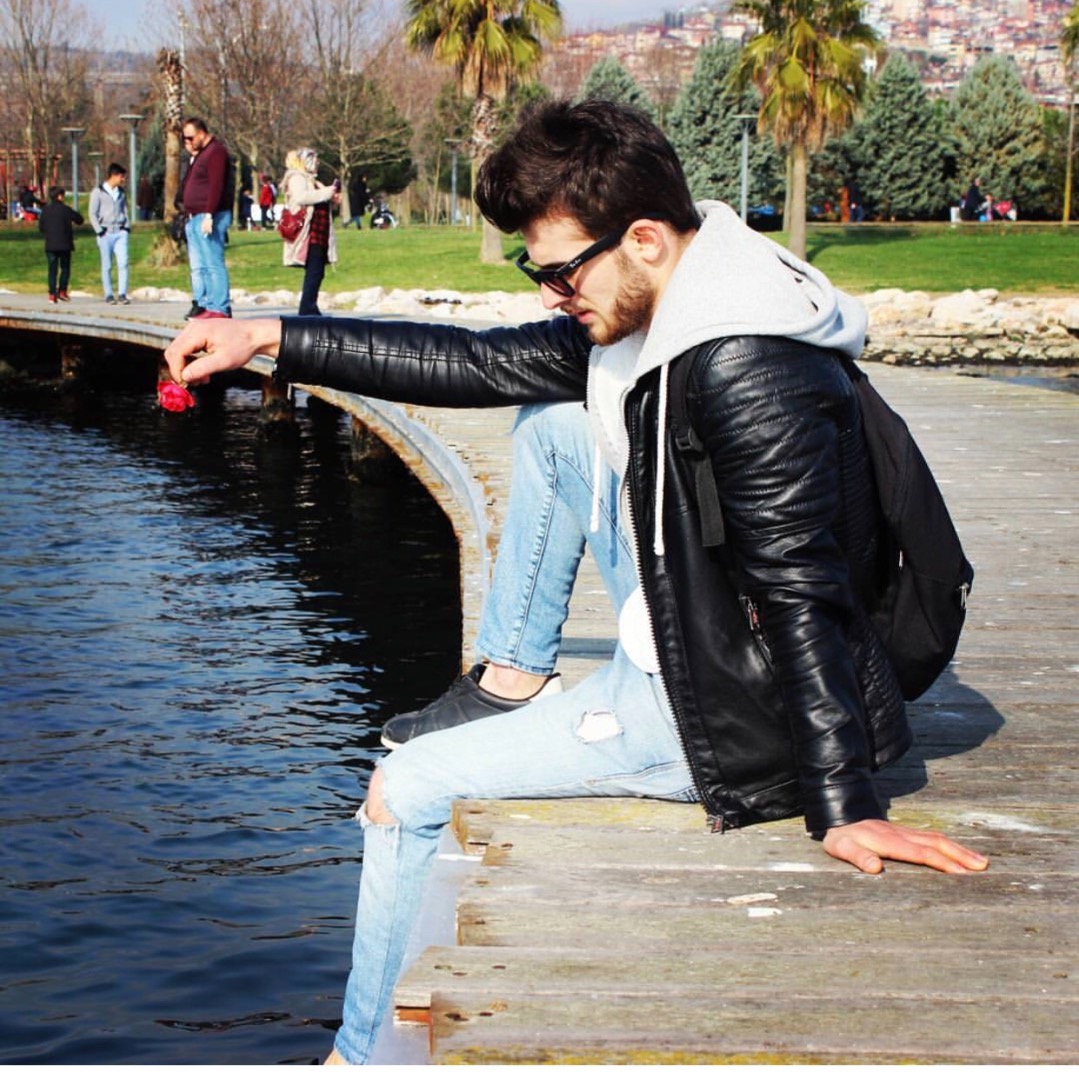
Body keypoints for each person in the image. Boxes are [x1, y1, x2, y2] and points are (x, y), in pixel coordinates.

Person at [164, 100, 989, 1065]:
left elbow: (800, 590)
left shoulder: (744, 366)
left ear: (642, 238)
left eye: (559, 271)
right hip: (702, 618)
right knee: (555, 424)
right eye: (535, 273)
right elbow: (478, 363)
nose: (551, 294)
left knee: (405, 785)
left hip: (722, 711)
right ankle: (512, 674)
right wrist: (267, 336)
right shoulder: (673, 296)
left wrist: (843, 803)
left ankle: (359, 1057)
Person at [179, 117, 234, 319]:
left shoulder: (216, 152)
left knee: (213, 263)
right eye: (184, 138)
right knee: (201, 265)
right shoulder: (202, 154)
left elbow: (216, 185)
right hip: (194, 216)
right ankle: (207, 305)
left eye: (190, 138)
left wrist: (209, 214)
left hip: (209, 215)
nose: (187, 142)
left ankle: (220, 307)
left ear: (202, 133)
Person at [280, 148, 340, 316]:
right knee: (314, 269)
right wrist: (326, 193)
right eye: (314, 160)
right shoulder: (297, 177)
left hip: (319, 230)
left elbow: (319, 198)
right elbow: (301, 197)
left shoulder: (312, 180)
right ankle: (307, 308)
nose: (317, 163)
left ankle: (309, 306)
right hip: (308, 231)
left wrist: (332, 198)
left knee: (318, 270)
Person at [88, 163, 131, 305]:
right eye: (121, 176)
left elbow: (125, 210)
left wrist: (126, 227)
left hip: (120, 232)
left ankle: (122, 294)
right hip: (105, 233)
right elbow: (92, 213)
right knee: (107, 265)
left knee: (123, 263)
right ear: (114, 176)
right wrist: (99, 231)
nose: (123, 179)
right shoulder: (98, 192)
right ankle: (109, 294)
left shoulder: (121, 192)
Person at [39, 185, 84, 303]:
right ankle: (62, 291)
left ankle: (52, 294)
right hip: (65, 244)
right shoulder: (66, 209)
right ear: (60, 196)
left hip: (50, 244)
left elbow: (41, 227)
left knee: (52, 270)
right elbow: (80, 220)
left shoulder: (45, 211)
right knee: (65, 268)